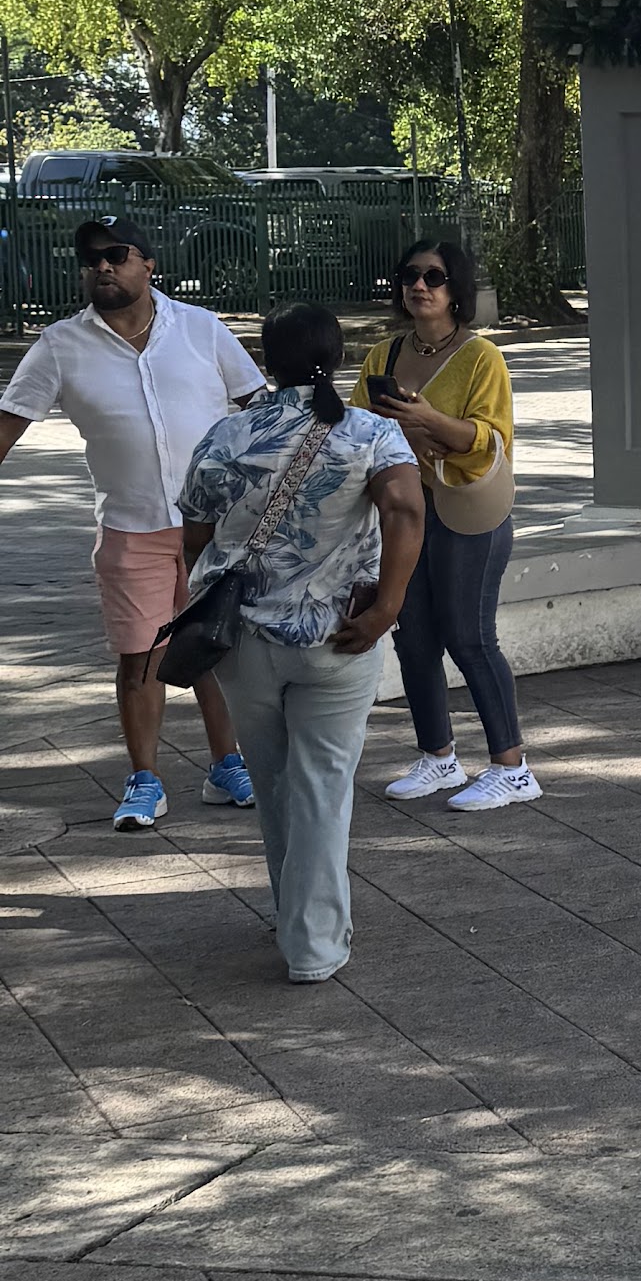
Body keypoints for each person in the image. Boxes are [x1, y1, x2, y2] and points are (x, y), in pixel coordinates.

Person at [174, 303, 422, 986]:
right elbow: (405, 508)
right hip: (339, 637)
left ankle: (295, 915)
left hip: (241, 641)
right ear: (338, 359)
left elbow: (194, 535)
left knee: (275, 780)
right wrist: (388, 606)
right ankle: (312, 945)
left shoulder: (226, 435)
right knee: (322, 786)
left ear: (266, 362)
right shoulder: (370, 432)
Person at [0, 218, 264, 831]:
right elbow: (8, 425)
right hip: (130, 527)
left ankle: (227, 765)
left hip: (215, 528)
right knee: (139, 657)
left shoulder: (200, 328)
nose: (102, 265)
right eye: (90, 257)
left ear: (148, 264)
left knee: (218, 647)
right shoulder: (60, 345)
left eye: (116, 254)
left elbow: (261, 410)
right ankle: (145, 780)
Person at [353, 231, 536, 809]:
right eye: (410, 276)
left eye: (433, 277)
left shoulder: (481, 356)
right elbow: (358, 428)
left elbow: (489, 436)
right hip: (406, 510)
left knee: (469, 636)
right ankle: (438, 757)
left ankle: (513, 767)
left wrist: (429, 421)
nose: (419, 286)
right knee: (413, 637)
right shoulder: (383, 355)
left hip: (467, 509)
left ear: (456, 289)